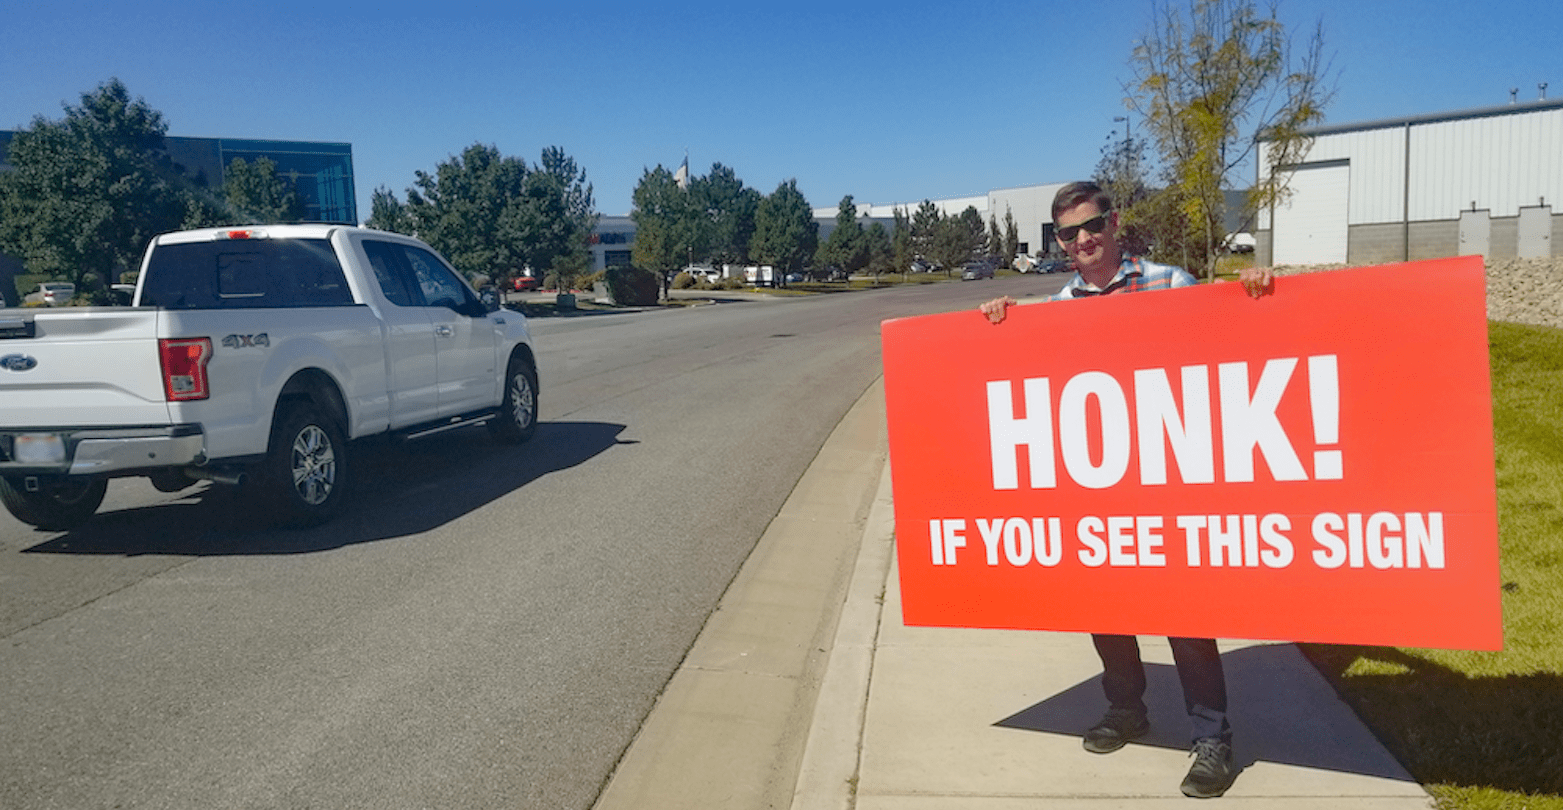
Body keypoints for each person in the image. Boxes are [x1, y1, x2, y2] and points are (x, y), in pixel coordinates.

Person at [979, 181, 1272, 800]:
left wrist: (1253, 296)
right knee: (1105, 602)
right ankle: (1126, 709)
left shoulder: (1170, 284)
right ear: (1058, 242)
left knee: (1184, 613)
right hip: (1101, 483)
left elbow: (1230, 338)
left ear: (1114, 226)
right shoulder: (1059, 305)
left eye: (1092, 226)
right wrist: (999, 326)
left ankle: (1212, 738)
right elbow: (1031, 375)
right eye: (1068, 233)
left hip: (1167, 476)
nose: (1082, 240)